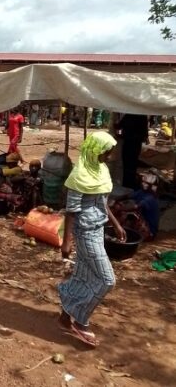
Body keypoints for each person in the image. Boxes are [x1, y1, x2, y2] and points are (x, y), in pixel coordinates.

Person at [58, 131, 126, 348]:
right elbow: (71, 210)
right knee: (107, 280)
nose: (108, 157)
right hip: (85, 231)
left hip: (98, 229)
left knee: (83, 274)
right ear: (96, 150)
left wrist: (115, 224)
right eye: (106, 152)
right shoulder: (80, 175)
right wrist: (66, 241)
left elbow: (103, 200)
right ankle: (81, 320)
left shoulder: (101, 170)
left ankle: (65, 315)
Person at [112, 172, 159, 241]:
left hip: (149, 232)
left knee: (131, 214)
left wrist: (120, 208)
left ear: (152, 186)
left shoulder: (150, 198)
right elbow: (128, 196)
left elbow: (135, 207)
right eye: (143, 182)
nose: (143, 184)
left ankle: (123, 233)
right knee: (122, 208)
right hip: (143, 224)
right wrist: (115, 200)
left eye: (146, 183)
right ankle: (120, 230)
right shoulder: (142, 192)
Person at [116, 114, 149, 189]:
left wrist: (116, 128)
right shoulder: (143, 116)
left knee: (126, 164)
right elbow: (145, 132)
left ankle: (126, 183)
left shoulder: (128, 115)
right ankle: (131, 183)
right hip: (136, 144)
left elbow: (119, 126)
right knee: (133, 164)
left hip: (128, 143)